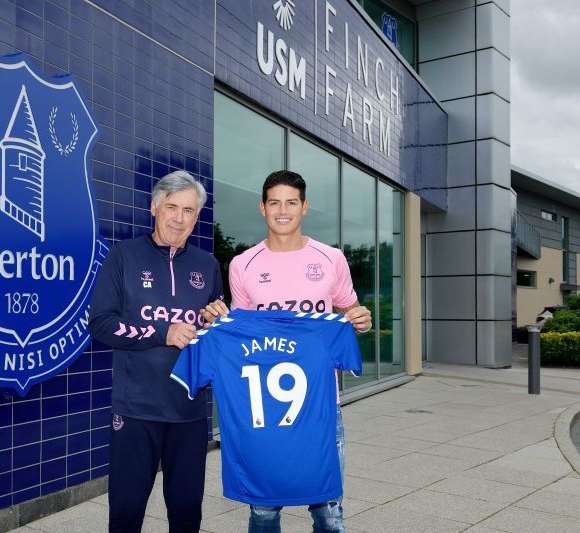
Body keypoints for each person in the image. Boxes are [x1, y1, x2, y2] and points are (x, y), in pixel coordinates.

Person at [202, 170, 371, 533]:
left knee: (328, 512)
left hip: (322, 406)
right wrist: (217, 321)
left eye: (291, 202)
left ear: (304, 207)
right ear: (262, 208)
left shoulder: (331, 259)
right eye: (274, 202)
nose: (283, 210)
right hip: (262, 407)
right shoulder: (242, 264)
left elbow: (350, 312)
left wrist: (361, 320)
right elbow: (242, 332)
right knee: (263, 512)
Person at [88, 170, 228, 533]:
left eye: (189, 211)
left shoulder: (207, 266)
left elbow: (212, 335)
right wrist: (163, 332)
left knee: (186, 514)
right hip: (137, 410)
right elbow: (101, 324)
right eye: (172, 207)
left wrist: (216, 323)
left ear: (197, 216)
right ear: (154, 207)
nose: (180, 219)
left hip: (190, 412)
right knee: (127, 510)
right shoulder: (124, 256)